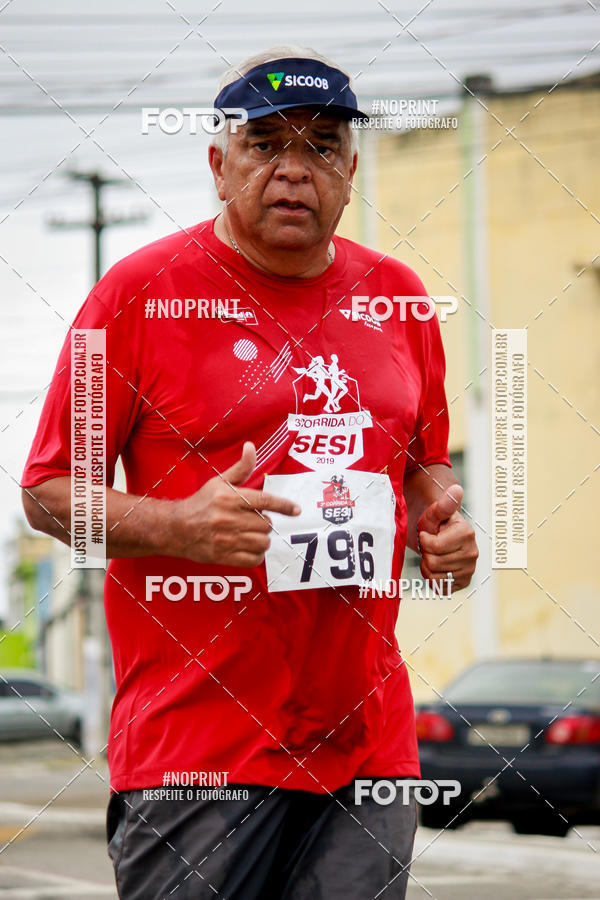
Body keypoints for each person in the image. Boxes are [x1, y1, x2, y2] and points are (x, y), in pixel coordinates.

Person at [21, 45, 478, 900]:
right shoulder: (138, 295)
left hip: (367, 746)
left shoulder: (399, 297)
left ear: (350, 172)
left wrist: (443, 520)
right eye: (266, 145)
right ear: (219, 165)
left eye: (321, 147)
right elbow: (46, 492)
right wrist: (177, 525)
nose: (294, 170)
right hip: (199, 749)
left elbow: (424, 462)